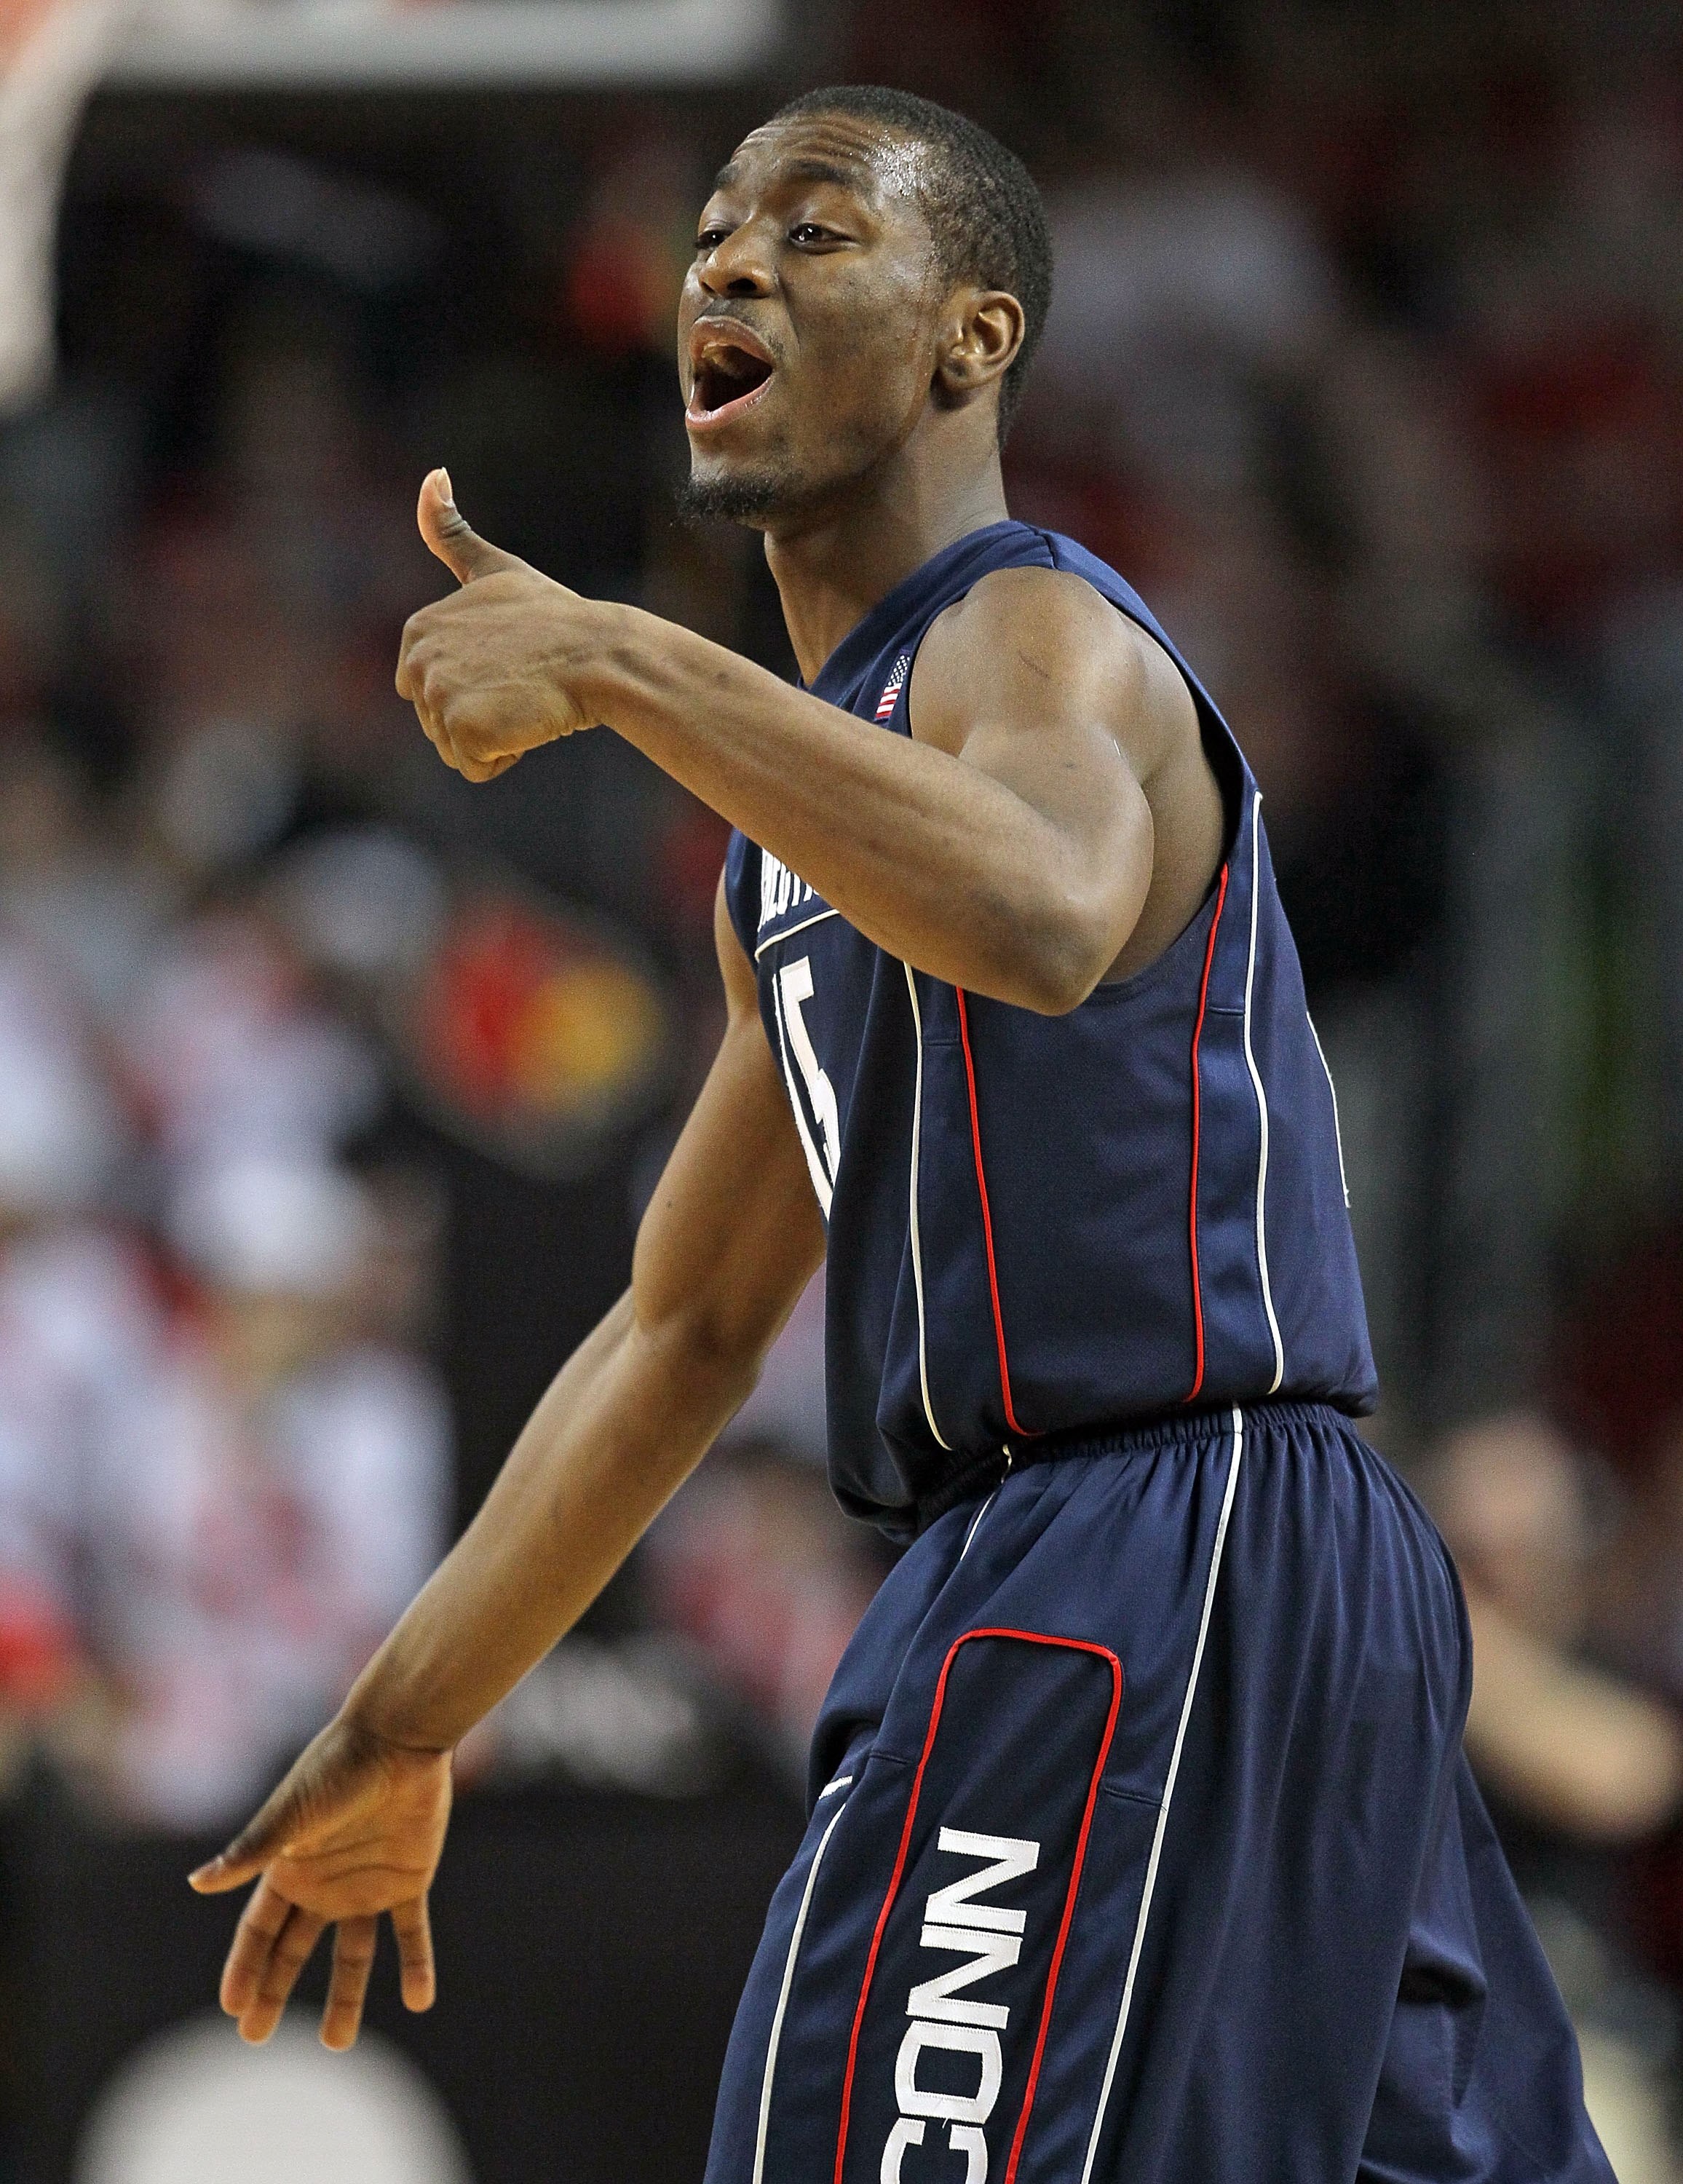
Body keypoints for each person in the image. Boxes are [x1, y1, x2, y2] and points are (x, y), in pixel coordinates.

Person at [189, 85, 1611, 2183]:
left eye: (816, 230)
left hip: (1138, 1537)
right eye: (709, 238)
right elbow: (677, 1333)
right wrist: (399, 1725)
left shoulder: (1031, 631)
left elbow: (1039, 908)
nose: (730, 264)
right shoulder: (807, 839)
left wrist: (613, 653)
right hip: (1263, 1580)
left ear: (975, 337)